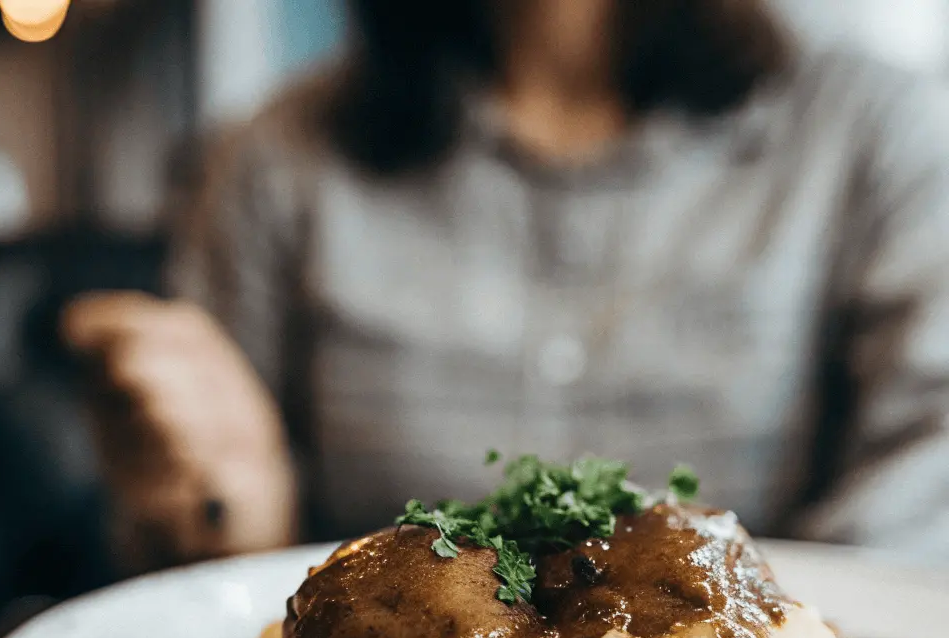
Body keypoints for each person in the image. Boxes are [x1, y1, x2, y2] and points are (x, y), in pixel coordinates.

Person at [63, 0, 949, 573]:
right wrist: (232, 508)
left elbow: (921, 506)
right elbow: (203, 567)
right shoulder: (273, 161)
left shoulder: (878, 136)